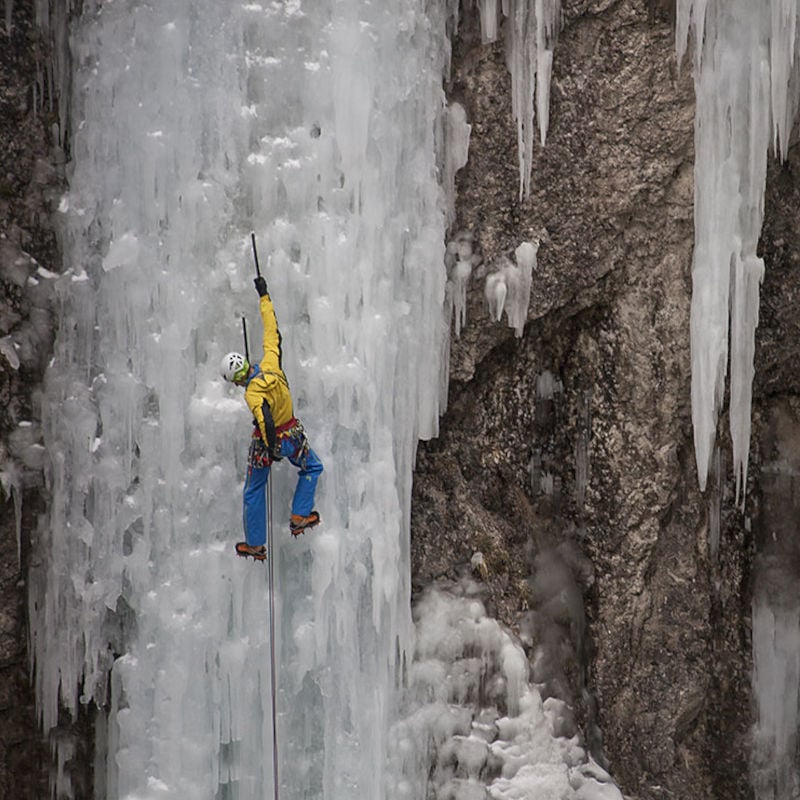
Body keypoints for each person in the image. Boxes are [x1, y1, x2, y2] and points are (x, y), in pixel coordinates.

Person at [221, 274, 323, 561]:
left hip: (270, 443)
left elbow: (264, 418)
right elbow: (272, 331)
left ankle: (254, 543)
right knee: (312, 467)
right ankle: (300, 515)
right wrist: (263, 295)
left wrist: (269, 447)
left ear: (235, 380)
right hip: (293, 437)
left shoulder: (252, 393)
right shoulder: (270, 363)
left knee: (254, 490)